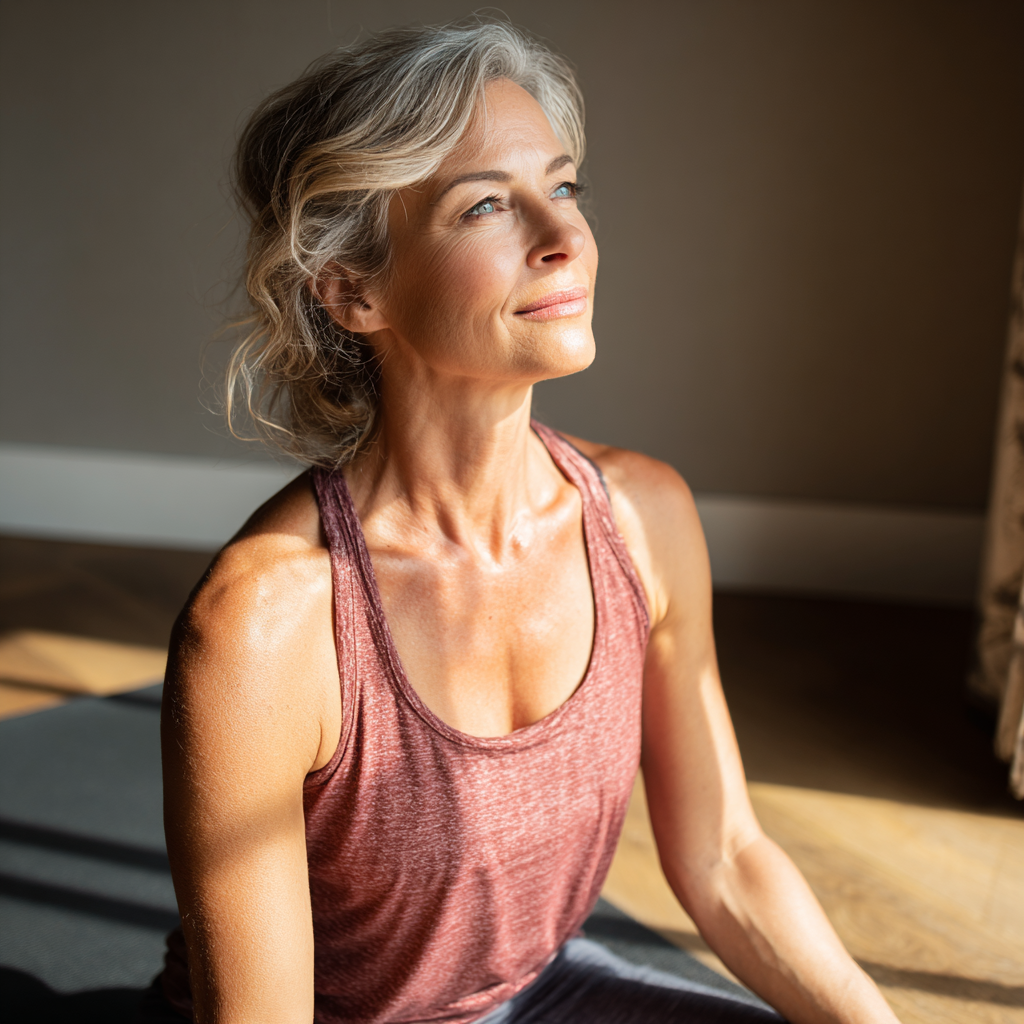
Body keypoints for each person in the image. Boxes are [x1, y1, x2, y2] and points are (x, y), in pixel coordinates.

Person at [148, 20, 900, 1024]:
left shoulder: (642, 519)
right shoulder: (264, 625)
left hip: (540, 991)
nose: (563, 237)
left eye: (565, 186)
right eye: (489, 204)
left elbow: (723, 857)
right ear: (352, 291)